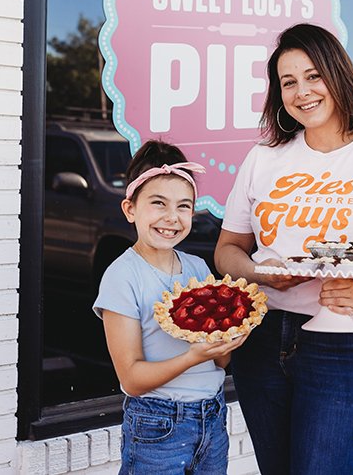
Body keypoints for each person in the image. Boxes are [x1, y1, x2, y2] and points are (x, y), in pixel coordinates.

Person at [214, 23, 353, 475]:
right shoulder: (264, 158)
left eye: (313, 76)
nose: (302, 92)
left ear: (338, 75)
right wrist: (262, 273)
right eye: (288, 81)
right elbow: (228, 251)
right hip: (262, 338)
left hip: (348, 346)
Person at [93, 140, 247, 475]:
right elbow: (132, 379)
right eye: (158, 203)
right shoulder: (123, 276)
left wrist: (229, 341)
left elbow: (221, 359)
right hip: (156, 424)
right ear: (130, 209)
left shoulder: (198, 269)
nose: (171, 218)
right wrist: (193, 356)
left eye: (183, 206)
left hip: (212, 417)